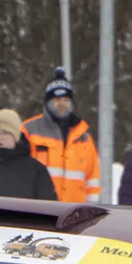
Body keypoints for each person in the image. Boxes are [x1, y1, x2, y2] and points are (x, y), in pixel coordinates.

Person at [21, 69, 101, 203]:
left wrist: (91, 210)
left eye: (66, 99)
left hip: (74, 214)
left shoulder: (84, 137)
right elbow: (20, 173)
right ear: (47, 102)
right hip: (40, 212)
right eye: (57, 99)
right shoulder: (29, 131)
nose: (62, 104)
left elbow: (92, 180)